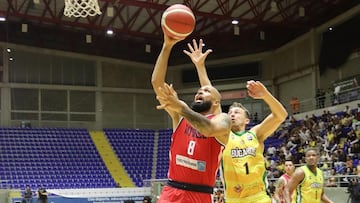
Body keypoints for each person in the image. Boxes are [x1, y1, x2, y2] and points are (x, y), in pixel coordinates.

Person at [151, 34, 231, 203]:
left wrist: (181, 106)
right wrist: (166, 46)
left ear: (217, 102)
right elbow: (156, 83)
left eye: (206, 92)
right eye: (198, 92)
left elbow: (208, 128)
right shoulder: (181, 116)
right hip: (171, 192)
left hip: (199, 195)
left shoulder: (223, 120)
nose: (200, 92)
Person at [221, 83, 287, 203]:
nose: (232, 114)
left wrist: (265, 95)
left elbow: (281, 116)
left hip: (259, 198)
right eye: (230, 113)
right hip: (233, 199)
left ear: (247, 120)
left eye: (236, 112)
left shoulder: (255, 134)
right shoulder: (222, 137)